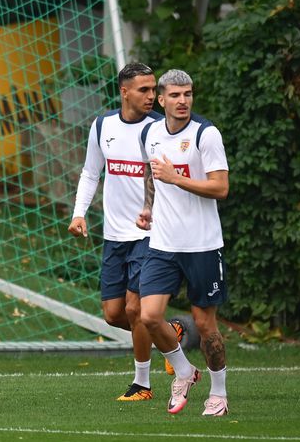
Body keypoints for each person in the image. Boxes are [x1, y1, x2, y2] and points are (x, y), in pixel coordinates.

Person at [69, 62, 184, 401]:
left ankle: (142, 384)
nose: (152, 96)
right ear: (124, 92)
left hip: (152, 234)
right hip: (114, 235)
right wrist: (79, 214)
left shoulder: (162, 129)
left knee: (136, 310)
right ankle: (167, 331)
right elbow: (91, 173)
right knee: (114, 314)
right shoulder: (102, 125)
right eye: (144, 90)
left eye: (154, 89)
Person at [135, 69, 231, 417]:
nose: (183, 101)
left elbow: (221, 187)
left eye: (188, 94)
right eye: (175, 95)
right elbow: (152, 171)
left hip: (203, 245)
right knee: (149, 316)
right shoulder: (151, 132)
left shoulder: (206, 135)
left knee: (205, 326)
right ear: (161, 100)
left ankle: (218, 393)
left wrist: (177, 179)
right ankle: (185, 370)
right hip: (163, 243)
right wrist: (148, 207)